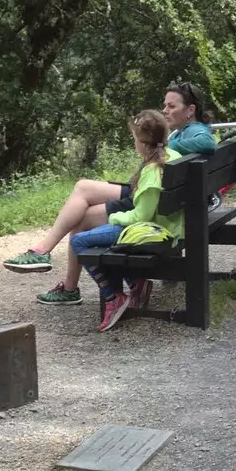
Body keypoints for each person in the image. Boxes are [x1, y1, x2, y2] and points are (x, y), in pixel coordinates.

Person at [2, 80, 210, 296]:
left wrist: (163, 143)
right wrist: (164, 142)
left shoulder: (195, 131)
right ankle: (46, 255)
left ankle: (61, 276)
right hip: (158, 190)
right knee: (82, 188)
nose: (165, 111)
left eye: (171, 106)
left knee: (81, 217)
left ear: (191, 110)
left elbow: (207, 144)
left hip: (153, 194)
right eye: (165, 105)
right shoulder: (181, 132)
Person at [66, 110, 180, 330]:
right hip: (169, 225)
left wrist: (114, 217)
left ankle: (113, 297)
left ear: (144, 143)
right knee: (95, 237)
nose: (135, 143)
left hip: (151, 231)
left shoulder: (152, 172)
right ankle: (136, 283)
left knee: (79, 241)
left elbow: (141, 217)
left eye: (135, 139)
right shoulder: (171, 156)